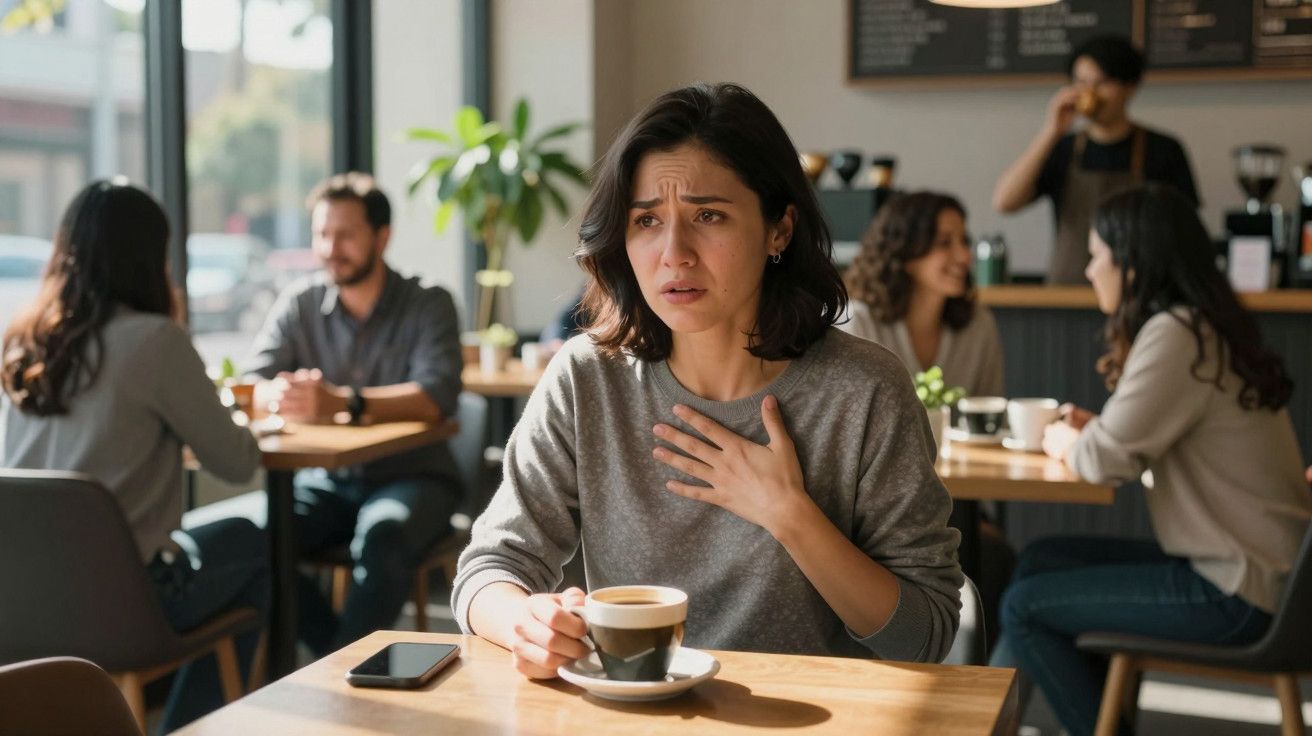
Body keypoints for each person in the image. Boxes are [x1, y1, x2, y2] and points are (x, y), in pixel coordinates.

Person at [453, 82, 963, 680]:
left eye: (709, 216)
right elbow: (488, 569)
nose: (675, 252)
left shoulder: (864, 390)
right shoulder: (587, 378)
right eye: (646, 220)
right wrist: (526, 621)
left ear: (779, 230)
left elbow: (922, 635)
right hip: (633, 719)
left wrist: (789, 513)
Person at [994, 184, 1312, 736]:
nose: (1091, 270)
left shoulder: (1176, 333)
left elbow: (1100, 463)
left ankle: (1067, 729)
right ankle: (1022, 723)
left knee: (1024, 605)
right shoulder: (1202, 326)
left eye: (1097, 256)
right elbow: (1142, 443)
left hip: (1238, 589)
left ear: (1132, 266)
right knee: (1043, 559)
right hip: (1264, 573)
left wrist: (1061, 442)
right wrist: (1100, 436)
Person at [1, 179, 266, 733]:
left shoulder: (25, 341)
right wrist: (242, 414)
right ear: (152, 257)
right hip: (122, 607)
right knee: (252, 543)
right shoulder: (155, 341)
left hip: (21, 607)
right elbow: (237, 463)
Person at [246, 172, 464, 654]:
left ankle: (337, 688)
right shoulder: (300, 303)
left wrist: (343, 402)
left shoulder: (428, 302)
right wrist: (282, 395)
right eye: (322, 234)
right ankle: (336, 661)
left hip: (416, 475)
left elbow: (438, 394)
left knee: (383, 537)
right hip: (326, 481)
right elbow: (251, 385)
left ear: (381, 237)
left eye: (344, 235)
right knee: (259, 542)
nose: (330, 248)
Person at [992, 35, 1199, 285]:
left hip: (1139, 292)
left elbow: (1185, 229)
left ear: (1130, 87)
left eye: (1102, 82)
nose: (1089, 92)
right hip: (1068, 291)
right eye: (1080, 82)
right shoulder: (1063, 148)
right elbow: (1005, 201)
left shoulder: (1163, 149)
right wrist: (1051, 131)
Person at [838, 191, 1003, 397]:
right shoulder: (857, 323)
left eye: (964, 241)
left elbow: (990, 414)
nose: (965, 256)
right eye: (944, 243)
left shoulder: (979, 326)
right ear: (906, 253)